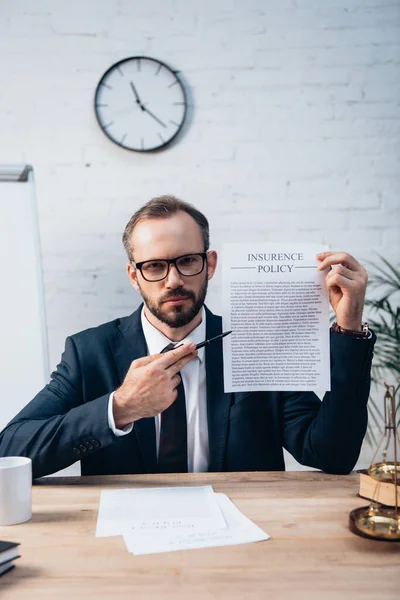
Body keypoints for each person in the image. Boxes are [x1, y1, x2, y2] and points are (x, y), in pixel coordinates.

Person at [0, 196, 374, 479]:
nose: (174, 279)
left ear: (209, 264)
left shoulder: (260, 344)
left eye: (187, 261)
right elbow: (11, 448)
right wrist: (121, 408)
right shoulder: (89, 352)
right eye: (155, 266)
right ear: (134, 275)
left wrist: (349, 327)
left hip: (245, 542)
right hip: (124, 543)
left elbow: (331, 455)